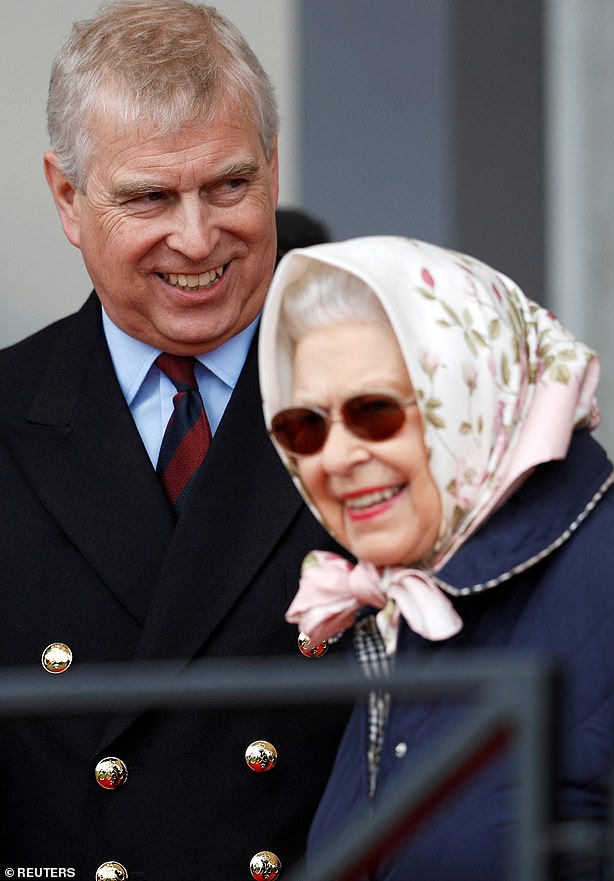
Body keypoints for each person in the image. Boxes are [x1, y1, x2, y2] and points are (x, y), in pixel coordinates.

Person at [0, 2, 350, 879]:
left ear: (274, 169)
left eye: (229, 185)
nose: (197, 238)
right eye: (150, 197)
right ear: (68, 198)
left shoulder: (388, 405)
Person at [259, 235, 614, 880]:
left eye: (374, 411)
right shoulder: (403, 595)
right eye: (306, 427)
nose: (336, 457)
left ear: (472, 394)